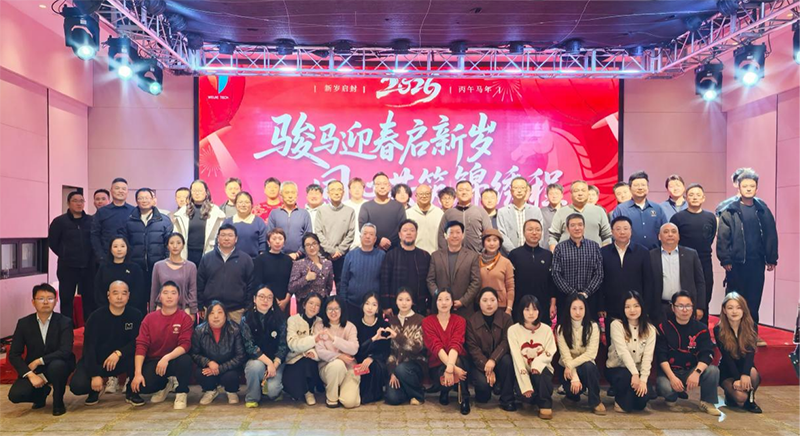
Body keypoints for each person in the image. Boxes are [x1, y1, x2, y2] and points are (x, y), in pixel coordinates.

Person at [717, 170, 778, 337]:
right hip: (735, 264)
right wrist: (725, 259)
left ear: (757, 188)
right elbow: (723, 237)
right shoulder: (730, 210)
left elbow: (771, 234)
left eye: (752, 186)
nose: (749, 188)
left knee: (754, 299)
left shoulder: (763, 209)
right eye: (745, 186)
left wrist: (771, 257)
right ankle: (729, 334)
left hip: (757, 262)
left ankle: (751, 335)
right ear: (739, 187)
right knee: (733, 299)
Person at [69, 280, 144, 407]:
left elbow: (137, 342)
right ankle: (94, 391)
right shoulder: (95, 317)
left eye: (123, 293)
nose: (119, 297)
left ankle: (132, 392)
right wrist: (94, 375)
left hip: (122, 359)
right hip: (99, 360)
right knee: (78, 385)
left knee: (138, 357)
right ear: (108, 295)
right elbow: (89, 347)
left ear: (128, 296)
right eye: (115, 293)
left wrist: (119, 353)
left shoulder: (135, 315)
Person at [8, 284, 75, 416]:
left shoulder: (65, 322)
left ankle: (58, 402)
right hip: (35, 370)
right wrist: (30, 374)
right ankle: (41, 394)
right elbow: (14, 354)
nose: (45, 302)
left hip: (59, 363)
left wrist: (39, 361)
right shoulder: (24, 323)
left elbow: (65, 351)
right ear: (33, 302)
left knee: (57, 366)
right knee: (16, 395)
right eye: (41, 299)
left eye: (50, 298)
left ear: (56, 301)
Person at [655, 291, 721, 416]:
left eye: (688, 306)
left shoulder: (701, 328)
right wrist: (672, 378)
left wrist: (696, 372)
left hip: (691, 370)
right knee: (664, 386)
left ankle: (707, 402)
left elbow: (707, 354)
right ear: (673, 308)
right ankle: (671, 399)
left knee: (713, 371)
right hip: (670, 372)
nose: (684, 310)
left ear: (693, 308)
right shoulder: (663, 327)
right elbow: (661, 356)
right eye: (680, 306)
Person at [131, 281, 193, 409]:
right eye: (165, 293)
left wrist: (166, 358)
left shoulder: (184, 318)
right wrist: (138, 373)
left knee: (185, 360)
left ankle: (181, 391)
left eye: (173, 293)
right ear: (159, 296)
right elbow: (141, 345)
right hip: (155, 361)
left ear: (179, 297)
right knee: (142, 387)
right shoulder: (149, 318)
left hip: (175, 359)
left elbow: (185, 344)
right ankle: (165, 385)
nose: (169, 296)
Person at [120, 187, 173, 314]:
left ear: (153, 200)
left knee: (157, 300)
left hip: (157, 267)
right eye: (141, 198)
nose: (144, 200)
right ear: (136, 201)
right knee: (138, 300)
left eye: (147, 198)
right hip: (136, 267)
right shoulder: (128, 220)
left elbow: (169, 245)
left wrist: (166, 263)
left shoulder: (164, 220)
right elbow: (124, 243)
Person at [670, 183, 717, 323]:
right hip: (684, 262)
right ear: (686, 198)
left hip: (705, 261)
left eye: (698, 195)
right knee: (684, 296)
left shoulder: (710, 217)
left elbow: (710, 237)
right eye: (691, 195)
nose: (695, 197)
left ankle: (703, 330)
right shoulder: (677, 218)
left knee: (705, 295)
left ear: (703, 198)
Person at [605, 291, 656, 413]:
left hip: (638, 371)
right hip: (617, 369)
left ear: (642, 307)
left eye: (636, 306)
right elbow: (623, 352)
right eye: (627, 307)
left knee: (642, 402)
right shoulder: (616, 325)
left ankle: (630, 397)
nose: (632, 310)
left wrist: (643, 380)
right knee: (626, 403)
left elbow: (648, 357)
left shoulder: (650, 329)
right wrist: (634, 374)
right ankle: (620, 399)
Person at [598, 216, 656, 323]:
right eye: (618, 229)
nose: (622, 232)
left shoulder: (642, 252)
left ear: (631, 231)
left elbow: (648, 281)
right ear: (612, 232)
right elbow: (600, 281)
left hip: (636, 307)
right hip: (611, 306)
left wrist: (646, 306)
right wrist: (601, 305)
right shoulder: (603, 252)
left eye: (625, 228)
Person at [465, 287, 515, 411]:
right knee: (483, 394)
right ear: (479, 302)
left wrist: (493, 360)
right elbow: (473, 349)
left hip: (499, 360)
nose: (489, 304)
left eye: (492, 300)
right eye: (485, 300)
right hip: (480, 364)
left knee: (507, 361)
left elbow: (506, 342)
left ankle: (507, 399)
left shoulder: (506, 319)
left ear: (498, 301)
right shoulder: (471, 321)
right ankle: (486, 390)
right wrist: (487, 366)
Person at [507, 295, 556, 420]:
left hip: (541, 369)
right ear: (521, 311)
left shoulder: (546, 329)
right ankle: (530, 398)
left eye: (534, 309)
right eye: (527, 309)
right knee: (526, 397)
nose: (531, 313)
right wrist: (526, 385)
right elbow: (517, 357)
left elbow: (550, 351)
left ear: (539, 311)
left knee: (542, 375)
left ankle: (545, 404)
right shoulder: (513, 330)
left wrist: (537, 364)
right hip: (523, 370)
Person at [48, 191, 94, 322]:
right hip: (67, 267)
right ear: (68, 203)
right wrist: (65, 254)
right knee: (67, 300)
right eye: (75, 201)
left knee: (89, 300)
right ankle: (66, 329)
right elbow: (53, 242)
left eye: (81, 201)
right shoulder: (59, 222)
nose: (79, 204)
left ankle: (89, 329)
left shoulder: (91, 221)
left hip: (88, 267)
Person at [423, 289, 470, 415]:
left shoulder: (460, 321)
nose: (443, 303)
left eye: (447, 299)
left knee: (458, 361)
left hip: (458, 360)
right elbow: (436, 347)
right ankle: (444, 391)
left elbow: (456, 345)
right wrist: (453, 369)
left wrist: (450, 368)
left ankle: (465, 398)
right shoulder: (427, 322)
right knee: (451, 368)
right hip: (436, 363)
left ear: (452, 302)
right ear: (435, 302)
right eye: (440, 299)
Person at [556, 294, 605, 415]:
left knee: (589, 366)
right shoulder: (561, 328)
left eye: (581, 308)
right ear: (568, 309)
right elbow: (565, 356)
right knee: (572, 388)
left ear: (585, 309)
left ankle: (595, 401)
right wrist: (575, 377)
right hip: (566, 368)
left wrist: (571, 365)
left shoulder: (593, 327)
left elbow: (590, 354)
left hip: (584, 366)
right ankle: (572, 397)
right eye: (574, 308)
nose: (578, 312)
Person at [190, 300, 246, 405]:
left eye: (220, 312)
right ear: (207, 316)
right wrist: (208, 362)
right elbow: (194, 354)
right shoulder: (199, 330)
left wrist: (220, 368)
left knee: (231, 376)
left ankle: (231, 391)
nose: (216, 316)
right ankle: (210, 390)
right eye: (212, 313)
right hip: (209, 367)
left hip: (229, 367)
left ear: (225, 315)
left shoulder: (234, 329)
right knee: (200, 373)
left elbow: (240, 356)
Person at [197, 223, 255, 323]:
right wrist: (200, 305)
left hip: (236, 310)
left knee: (236, 333)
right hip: (211, 309)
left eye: (230, 235)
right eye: (223, 235)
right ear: (218, 238)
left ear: (236, 239)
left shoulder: (246, 259)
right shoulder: (207, 258)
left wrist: (247, 307)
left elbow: (251, 284)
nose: (226, 238)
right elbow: (200, 283)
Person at [241, 287, 288, 407]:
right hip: (257, 360)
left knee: (273, 391)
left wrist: (274, 364)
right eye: (261, 296)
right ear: (254, 299)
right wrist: (268, 363)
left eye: (269, 297)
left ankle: (274, 391)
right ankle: (252, 397)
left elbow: (283, 346)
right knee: (254, 366)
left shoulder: (280, 319)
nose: (265, 300)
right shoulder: (246, 319)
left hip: (276, 361)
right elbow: (250, 346)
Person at [715, 292, 762, 413]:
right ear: (724, 310)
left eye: (738, 307)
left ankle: (751, 399)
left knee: (753, 373)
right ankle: (730, 395)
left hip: (744, 365)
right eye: (730, 308)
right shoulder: (718, 329)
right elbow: (726, 357)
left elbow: (750, 354)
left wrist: (745, 374)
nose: (734, 311)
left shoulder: (752, 326)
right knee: (740, 398)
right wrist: (737, 378)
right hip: (728, 368)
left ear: (744, 310)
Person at [650, 223, 706, 322]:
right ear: (659, 236)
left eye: (673, 232)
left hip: (684, 308)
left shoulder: (691, 254)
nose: (670, 234)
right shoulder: (651, 256)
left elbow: (700, 282)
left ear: (679, 236)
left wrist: (699, 307)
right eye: (666, 232)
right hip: (659, 307)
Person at [313, 296, 361, 409]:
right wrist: (339, 356)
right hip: (328, 368)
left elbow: (354, 349)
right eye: (330, 309)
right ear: (325, 310)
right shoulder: (319, 326)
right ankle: (332, 397)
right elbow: (320, 352)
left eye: (336, 309)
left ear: (342, 310)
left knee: (349, 403)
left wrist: (334, 339)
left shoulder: (350, 327)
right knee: (337, 365)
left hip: (349, 368)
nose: (333, 312)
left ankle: (340, 388)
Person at [427, 221, 482, 318]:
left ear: (463, 235)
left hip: (464, 309)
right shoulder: (436, 256)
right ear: (445, 235)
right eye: (451, 232)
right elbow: (430, 280)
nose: (455, 236)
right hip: (440, 309)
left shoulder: (472, 256)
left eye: (458, 232)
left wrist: (463, 301)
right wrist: (439, 298)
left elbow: (476, 282)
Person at [551, 214, 604, 314]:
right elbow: (556, 274)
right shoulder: (560, 248)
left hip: (589, 298)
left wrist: (586, 293)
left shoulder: (594, 247)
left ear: (584, 227)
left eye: (580, 225)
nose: (577, 228)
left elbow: (599, 274)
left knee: (590, 324)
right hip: (566, 298)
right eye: (573, 225)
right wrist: (572, 293)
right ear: (567, 229)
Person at [508, 219, 557, 323]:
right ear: (523, 232)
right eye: (530, 229)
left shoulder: (548, 255)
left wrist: (552, 304)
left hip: (543, 305)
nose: (534, 233)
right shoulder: (514, 255)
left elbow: (552, 283)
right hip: (519, 305)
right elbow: (509, 283)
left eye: (538, 230)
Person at [380, 219, 432, 316]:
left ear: (416, 234)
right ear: (400, 235)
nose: (409, 233)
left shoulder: (425, 256)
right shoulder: (391, 255)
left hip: (419, 307)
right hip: (395, 307)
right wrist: (386, 306)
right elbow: (384, 281)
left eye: (412, 230)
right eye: (405, 230)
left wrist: (429, 305)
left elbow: (429, 282)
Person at [385, 289, 427, 406]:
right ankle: (408, 391)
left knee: (402, 369)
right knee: (392, 398)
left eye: (407, 300)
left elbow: (417, 347)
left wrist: (397, 336)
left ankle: (418, 395)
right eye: (400, 299)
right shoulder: (391, 321)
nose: (404, 303)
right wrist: (392, 372)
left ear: (412, 302)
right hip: (397, 366)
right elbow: (391, 351)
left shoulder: (420, 320)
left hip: (415, 365)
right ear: (396, 302)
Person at [172, 179, 226, 266]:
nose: (197, 193)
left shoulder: (215, 211)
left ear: (206, 192)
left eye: (200, 190)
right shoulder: (182, 212)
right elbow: (176, 235)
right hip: (187, 253)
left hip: (209, 252)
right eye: (194, 191)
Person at [548, 180, 611, 250]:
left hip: (594, 255)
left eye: (583, 190)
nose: (580, 193)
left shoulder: (599, 211)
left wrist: (603, 254)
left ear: (587, 193)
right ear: (571, 193)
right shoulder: (561, 212)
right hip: (566, 255)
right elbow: (553, 237)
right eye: (576, 191)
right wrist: (555, 254)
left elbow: (607, 236)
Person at [284, 294, 324, 405]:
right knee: (294, 389)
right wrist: (313, 340)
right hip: (293, 359)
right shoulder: (293, 320)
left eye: (317, 305)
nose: (313, 307)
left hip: (312, 360)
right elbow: (292, 344)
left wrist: (313, 352)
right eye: (311, 303)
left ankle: (309, 392)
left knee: (309, 363)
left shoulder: (320, 322)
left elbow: (323, 345)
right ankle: (301, 391)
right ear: (304, 304)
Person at [611, 171, 667, 250]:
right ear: (630, 188)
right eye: (636, 185)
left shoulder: (657, 208)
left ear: (648, 188)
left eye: (643, 185)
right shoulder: (621, 209)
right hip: (629, 253)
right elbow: (614, 234)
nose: (640, 188)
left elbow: (665, 232)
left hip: (654, 253)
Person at [315, 180, 355, 288]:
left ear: (343, 192)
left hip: (342, 256)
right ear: (328, 193)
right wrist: (331, 251)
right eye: (333, 190)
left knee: (342, 286)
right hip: (324, 255)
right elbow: (318, 232)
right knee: (322, 287)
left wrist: (340, 251)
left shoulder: (350, 211)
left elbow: (351, 233)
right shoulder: (321, 210)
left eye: (339, 190)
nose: (336, 192)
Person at [339, 224, 386, 317]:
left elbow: (385, 281)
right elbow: (344, 281)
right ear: (360, 237)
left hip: (374, 306)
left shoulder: (382, 256)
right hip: (352, 304)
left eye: (371, 234)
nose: (367, 236)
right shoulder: (350, 255)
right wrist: (343, 302)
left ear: (375, 239)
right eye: (365, 233)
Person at [437, 181, 493, 253]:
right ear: (456, 194)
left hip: (477, 255)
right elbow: (441, 235)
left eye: (467, 190)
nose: (464, 192)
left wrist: (484, 253)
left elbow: (489, 234)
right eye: (460, 190)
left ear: (472, 194)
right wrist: (447, 253)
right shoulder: (449, 213)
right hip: (454, 256)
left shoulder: (481, 211)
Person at [354, 293, 390, 404]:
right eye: (367, 304)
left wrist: (372, 358)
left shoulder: (383, 325)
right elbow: (357, 350)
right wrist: (373, 339)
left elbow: (386, 350)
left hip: (377, 361)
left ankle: (374, 394)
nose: (370, 308)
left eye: (374, 305)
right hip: (359, 359)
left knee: (374, 366)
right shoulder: (355, 324)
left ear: (378, 308)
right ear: (362, 305)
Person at [150, 233, 197, 315]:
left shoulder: (191, 267)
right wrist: (152, 312)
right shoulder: (158, 266)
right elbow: (154, 291)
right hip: (162, 309)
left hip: (183, 310)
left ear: (183, 246)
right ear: (167, 246)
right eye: (171, 243)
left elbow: (192, 291)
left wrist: (193, 312)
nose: (175, 246)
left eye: (178, 243)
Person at [94, 236, 145, 310]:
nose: (119, 249)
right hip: (107, 310)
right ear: (110, 249)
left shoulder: (135, 268)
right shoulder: (103, 268)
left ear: (127, 248)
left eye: (122, 246)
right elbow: (98, 291)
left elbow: (139, 292)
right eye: (115, 246)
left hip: (131, 310)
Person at [91, 178, 135, 264]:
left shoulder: (134, 211)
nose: (120, 191)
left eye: (123, 189)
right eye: (117, 188)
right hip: (106, 259)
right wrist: (101, 256)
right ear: (111, 191)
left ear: (127, 192)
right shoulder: (102, 212)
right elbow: (95, 235)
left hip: (130, 260)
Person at [359, 172, 406, 251]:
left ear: (389, 187)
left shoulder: (399, 206)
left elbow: (402, 227)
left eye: (385, 184)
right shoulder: (366, 207)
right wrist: (379, 240)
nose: (382, 187)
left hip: (395, 250)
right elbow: (362, 227)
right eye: (378, 184)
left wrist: (388, 242)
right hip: (372, 250)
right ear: (374, 187)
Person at [497, 177, 544, 254]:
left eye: (522, 188)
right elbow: (502, 235)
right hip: (510, 255)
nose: (519, 191)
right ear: (511, 191)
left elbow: (540, 232)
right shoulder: (502, 212)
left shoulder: (536, 211)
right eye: (516, 188)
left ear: (526, 190)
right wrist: (515, 253)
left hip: (533, 254)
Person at [266, 181, 312, 259]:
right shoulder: (274, 213)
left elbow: (308, 236)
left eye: (293, 192)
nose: (290, 196)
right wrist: (280, 253)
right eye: (287, 193)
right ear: (281, 195)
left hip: (300, 258)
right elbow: (269, 235)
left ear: (297, 195)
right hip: (278, 257)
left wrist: (298, 254)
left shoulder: (304, 214)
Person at [253, 228, 294, 315]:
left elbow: (291, 282)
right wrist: (273, 299)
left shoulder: (288, 260)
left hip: (284, 302)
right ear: (268, 242)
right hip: (266, 301)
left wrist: (286, 300)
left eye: (280, 239)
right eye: (274, 239)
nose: (277, 242)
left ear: (284, 242)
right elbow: (258, 282)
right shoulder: (260, 259)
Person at [479, 229, 515, 315]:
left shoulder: (506, 262)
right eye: (488, 240)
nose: (492, 243)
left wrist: (509, 308)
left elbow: (510, 287)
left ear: (499, 244)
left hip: (501, 305)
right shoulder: (476, 260)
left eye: (495, 240)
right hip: (480, 304)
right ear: (483, 243)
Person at [289, 233, 334, 299]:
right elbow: (291, 287)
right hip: (305, 302)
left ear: (319, 245)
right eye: (308, 245)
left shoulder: (327, 263)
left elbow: (329, 286)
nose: (312, 247)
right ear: (304, 248)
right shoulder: (298, 264)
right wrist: (306, 279)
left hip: (323, 301)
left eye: (314, 243)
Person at [223, 192, 267, 258]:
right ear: (235, 204)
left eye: (247, 202)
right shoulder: (228, 222)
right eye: (240, 202)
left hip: (254, 261)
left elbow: (263, 245)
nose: (243, 205)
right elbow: (220, 243)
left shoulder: (259, 222)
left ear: (252, 205)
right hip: (231, 261)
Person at [406, 183, 443, 254]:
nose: (424, 196)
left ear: (431, 195)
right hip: (414, 254)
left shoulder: (439, 212)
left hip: (435, 254)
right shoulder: (409, 213)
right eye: (421, 194)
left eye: (427, 194)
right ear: (416, 195)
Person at [344, 177, 367, 251]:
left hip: (367, 245)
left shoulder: (369, 205)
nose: (357, 190)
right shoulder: (344, 205)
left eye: (359, 187)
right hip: (347, 246)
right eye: (354, 187)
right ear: (349, 190)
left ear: (363, 190)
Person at [540, 183, 563, 248]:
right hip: (546, 249)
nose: (554, 196)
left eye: (557, 193)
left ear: (562, 195)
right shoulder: (541, 212)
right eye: (551, 194)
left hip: (565, 249)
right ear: (547, 196)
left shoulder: (567, 211)